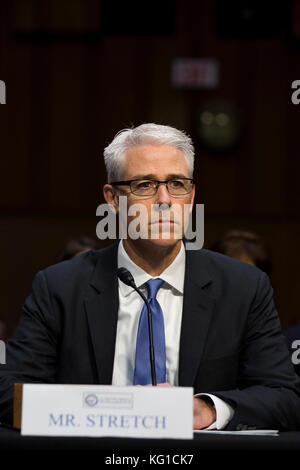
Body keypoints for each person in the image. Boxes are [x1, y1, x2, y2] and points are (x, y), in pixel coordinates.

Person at [0, 123, 300, 431]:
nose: (164, 200)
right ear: (113, 199)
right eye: (144, 185)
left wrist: (207, 409)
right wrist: (102, 411)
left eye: (177, 184)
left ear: (192, 195)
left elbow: (284, 397)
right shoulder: (60, 287)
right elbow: (9, 392)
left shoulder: (243, 288)